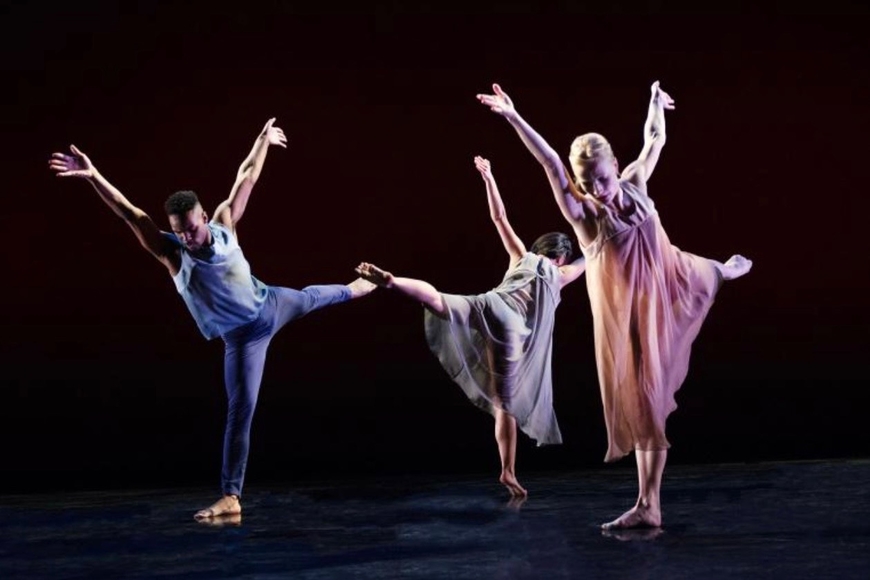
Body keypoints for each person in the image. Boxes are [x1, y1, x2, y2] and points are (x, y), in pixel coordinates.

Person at [48, 118, 376, 520]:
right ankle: (231, 497)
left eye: (190, 229)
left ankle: (358, 288)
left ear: (203, 216)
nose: (186, 238)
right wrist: (93, 175)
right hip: (243, 339)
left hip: (269, 303)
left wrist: (262, 142)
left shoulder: (224, 224)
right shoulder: (173, 255)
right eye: (179, 232)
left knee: (310, 297)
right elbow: (130, 214)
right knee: (242, 409)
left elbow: (247, 176)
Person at [477, 81, 752, 529]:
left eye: (602, 179)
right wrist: (512, 116)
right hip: (630, 312)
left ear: (616, 167)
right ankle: (649, 503)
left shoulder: (636, 181)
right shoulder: (584, 215)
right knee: (646, 399)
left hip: (670, 278)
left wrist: (654, 102)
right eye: (587, 183)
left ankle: (720, 270)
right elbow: (549, 161)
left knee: (703, 276)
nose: (598, 189)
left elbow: (654, 139)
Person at [355, 155, 585, 497]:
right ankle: (507, 471)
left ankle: (391, 281)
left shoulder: (521, 256)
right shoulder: (561, 273)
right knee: (503, 405)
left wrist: (489, 178)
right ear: (559, 258)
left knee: (437, 300)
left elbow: (499, 216)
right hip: (511, 327)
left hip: (487, 304)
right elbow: (592, 257)